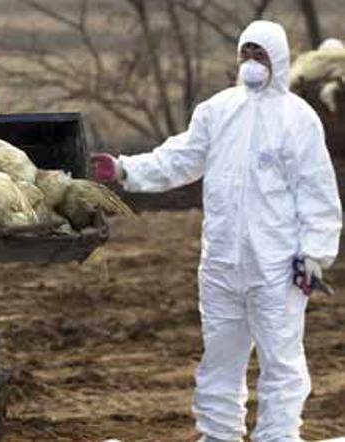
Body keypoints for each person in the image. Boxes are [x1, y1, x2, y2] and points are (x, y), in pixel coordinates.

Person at [91, 21, 342, 442]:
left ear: (278, 60)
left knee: (281, 361)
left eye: (260, 54)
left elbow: (316, 191)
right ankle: (219, 435)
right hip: (221, 264)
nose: (251, 62)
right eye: (246, 53)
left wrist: (314, 254)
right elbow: (180, 158)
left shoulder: (299, 119)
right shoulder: (218, 110)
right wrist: (124, 169)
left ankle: (278, 436)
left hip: (277, 268)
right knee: (220, 360)